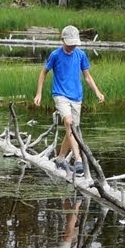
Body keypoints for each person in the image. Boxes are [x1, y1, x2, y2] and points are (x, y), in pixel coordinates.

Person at [31, 25, 105, 176]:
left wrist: (97, 92)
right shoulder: (55, 55)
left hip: (77, 97)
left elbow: (87, 76)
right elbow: (43, 73)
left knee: (73, 129)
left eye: (74, 44)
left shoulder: (80, 55)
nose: (72, 46)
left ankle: (60, 158)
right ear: (62, 40)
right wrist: (39, 94)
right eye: (69, 43)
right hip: (60, 95)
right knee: (69, 122)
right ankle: (78, 160)